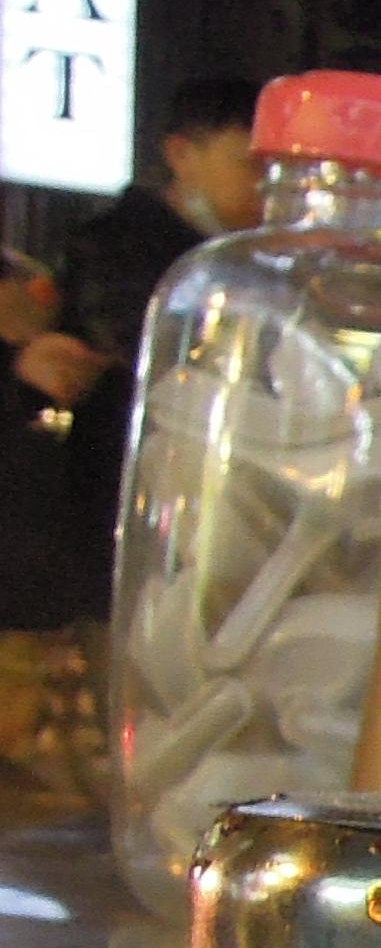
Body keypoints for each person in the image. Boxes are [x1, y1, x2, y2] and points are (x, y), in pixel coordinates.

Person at [0, 77, 260, 643]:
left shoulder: (250, 262)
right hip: (107, 536)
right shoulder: (120, 249)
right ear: (181, 155)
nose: (266, 186)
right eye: (251, 165)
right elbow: (147, 356)